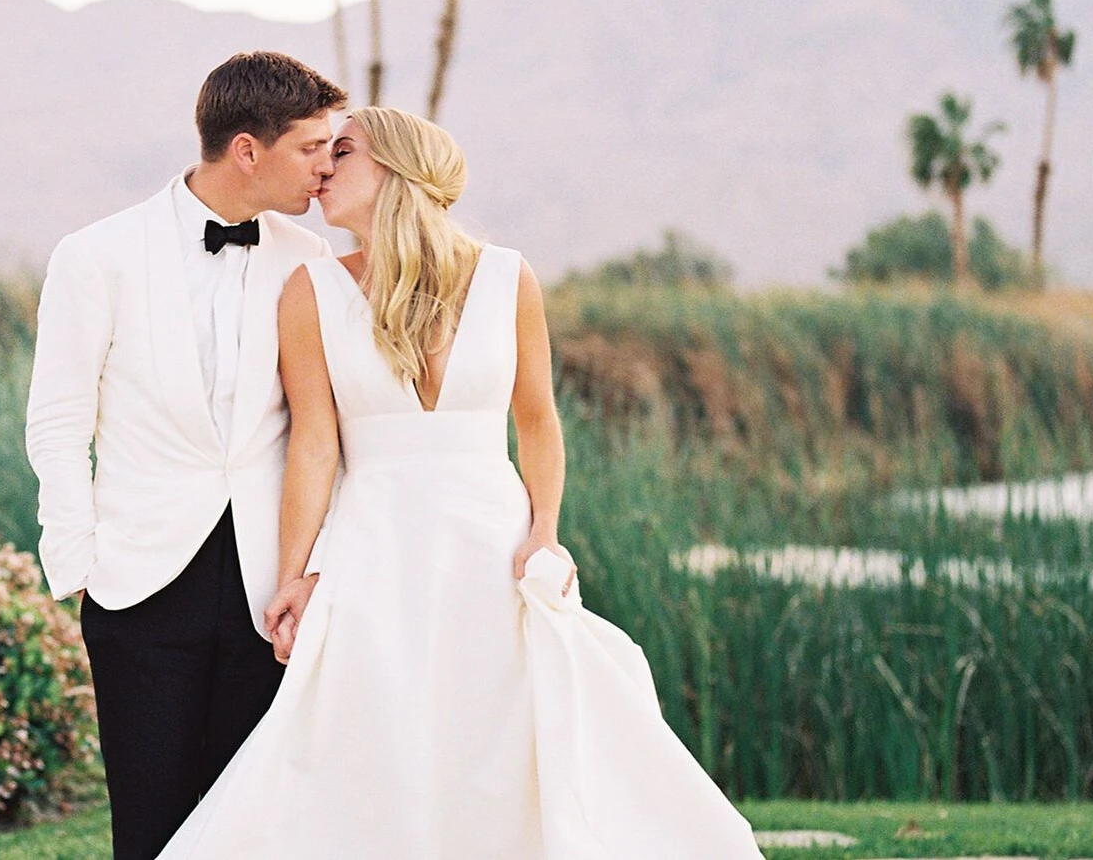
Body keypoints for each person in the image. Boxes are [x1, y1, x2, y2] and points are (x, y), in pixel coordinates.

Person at [156, 107, 766, 859]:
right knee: (375, 732)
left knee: (500, 726)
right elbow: (314, 447)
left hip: (492, 543)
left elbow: (537, 422)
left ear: (394, 170)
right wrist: (294, 574)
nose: (321, 168)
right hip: (374, 546)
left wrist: (544, 533)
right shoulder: (308, 292)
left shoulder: (508, 277)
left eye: (341, 152)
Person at [24, 51, 346, 860]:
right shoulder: (94, 255)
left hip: (269, 588)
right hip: (139, 584)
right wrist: (80, 561)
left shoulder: (309, 262)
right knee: (151, 825)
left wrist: (315, 569)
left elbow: (325, 432)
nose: (325, 165)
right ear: (247, 149)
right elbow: (58, 422)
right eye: (310, 147)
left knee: (255, 824)